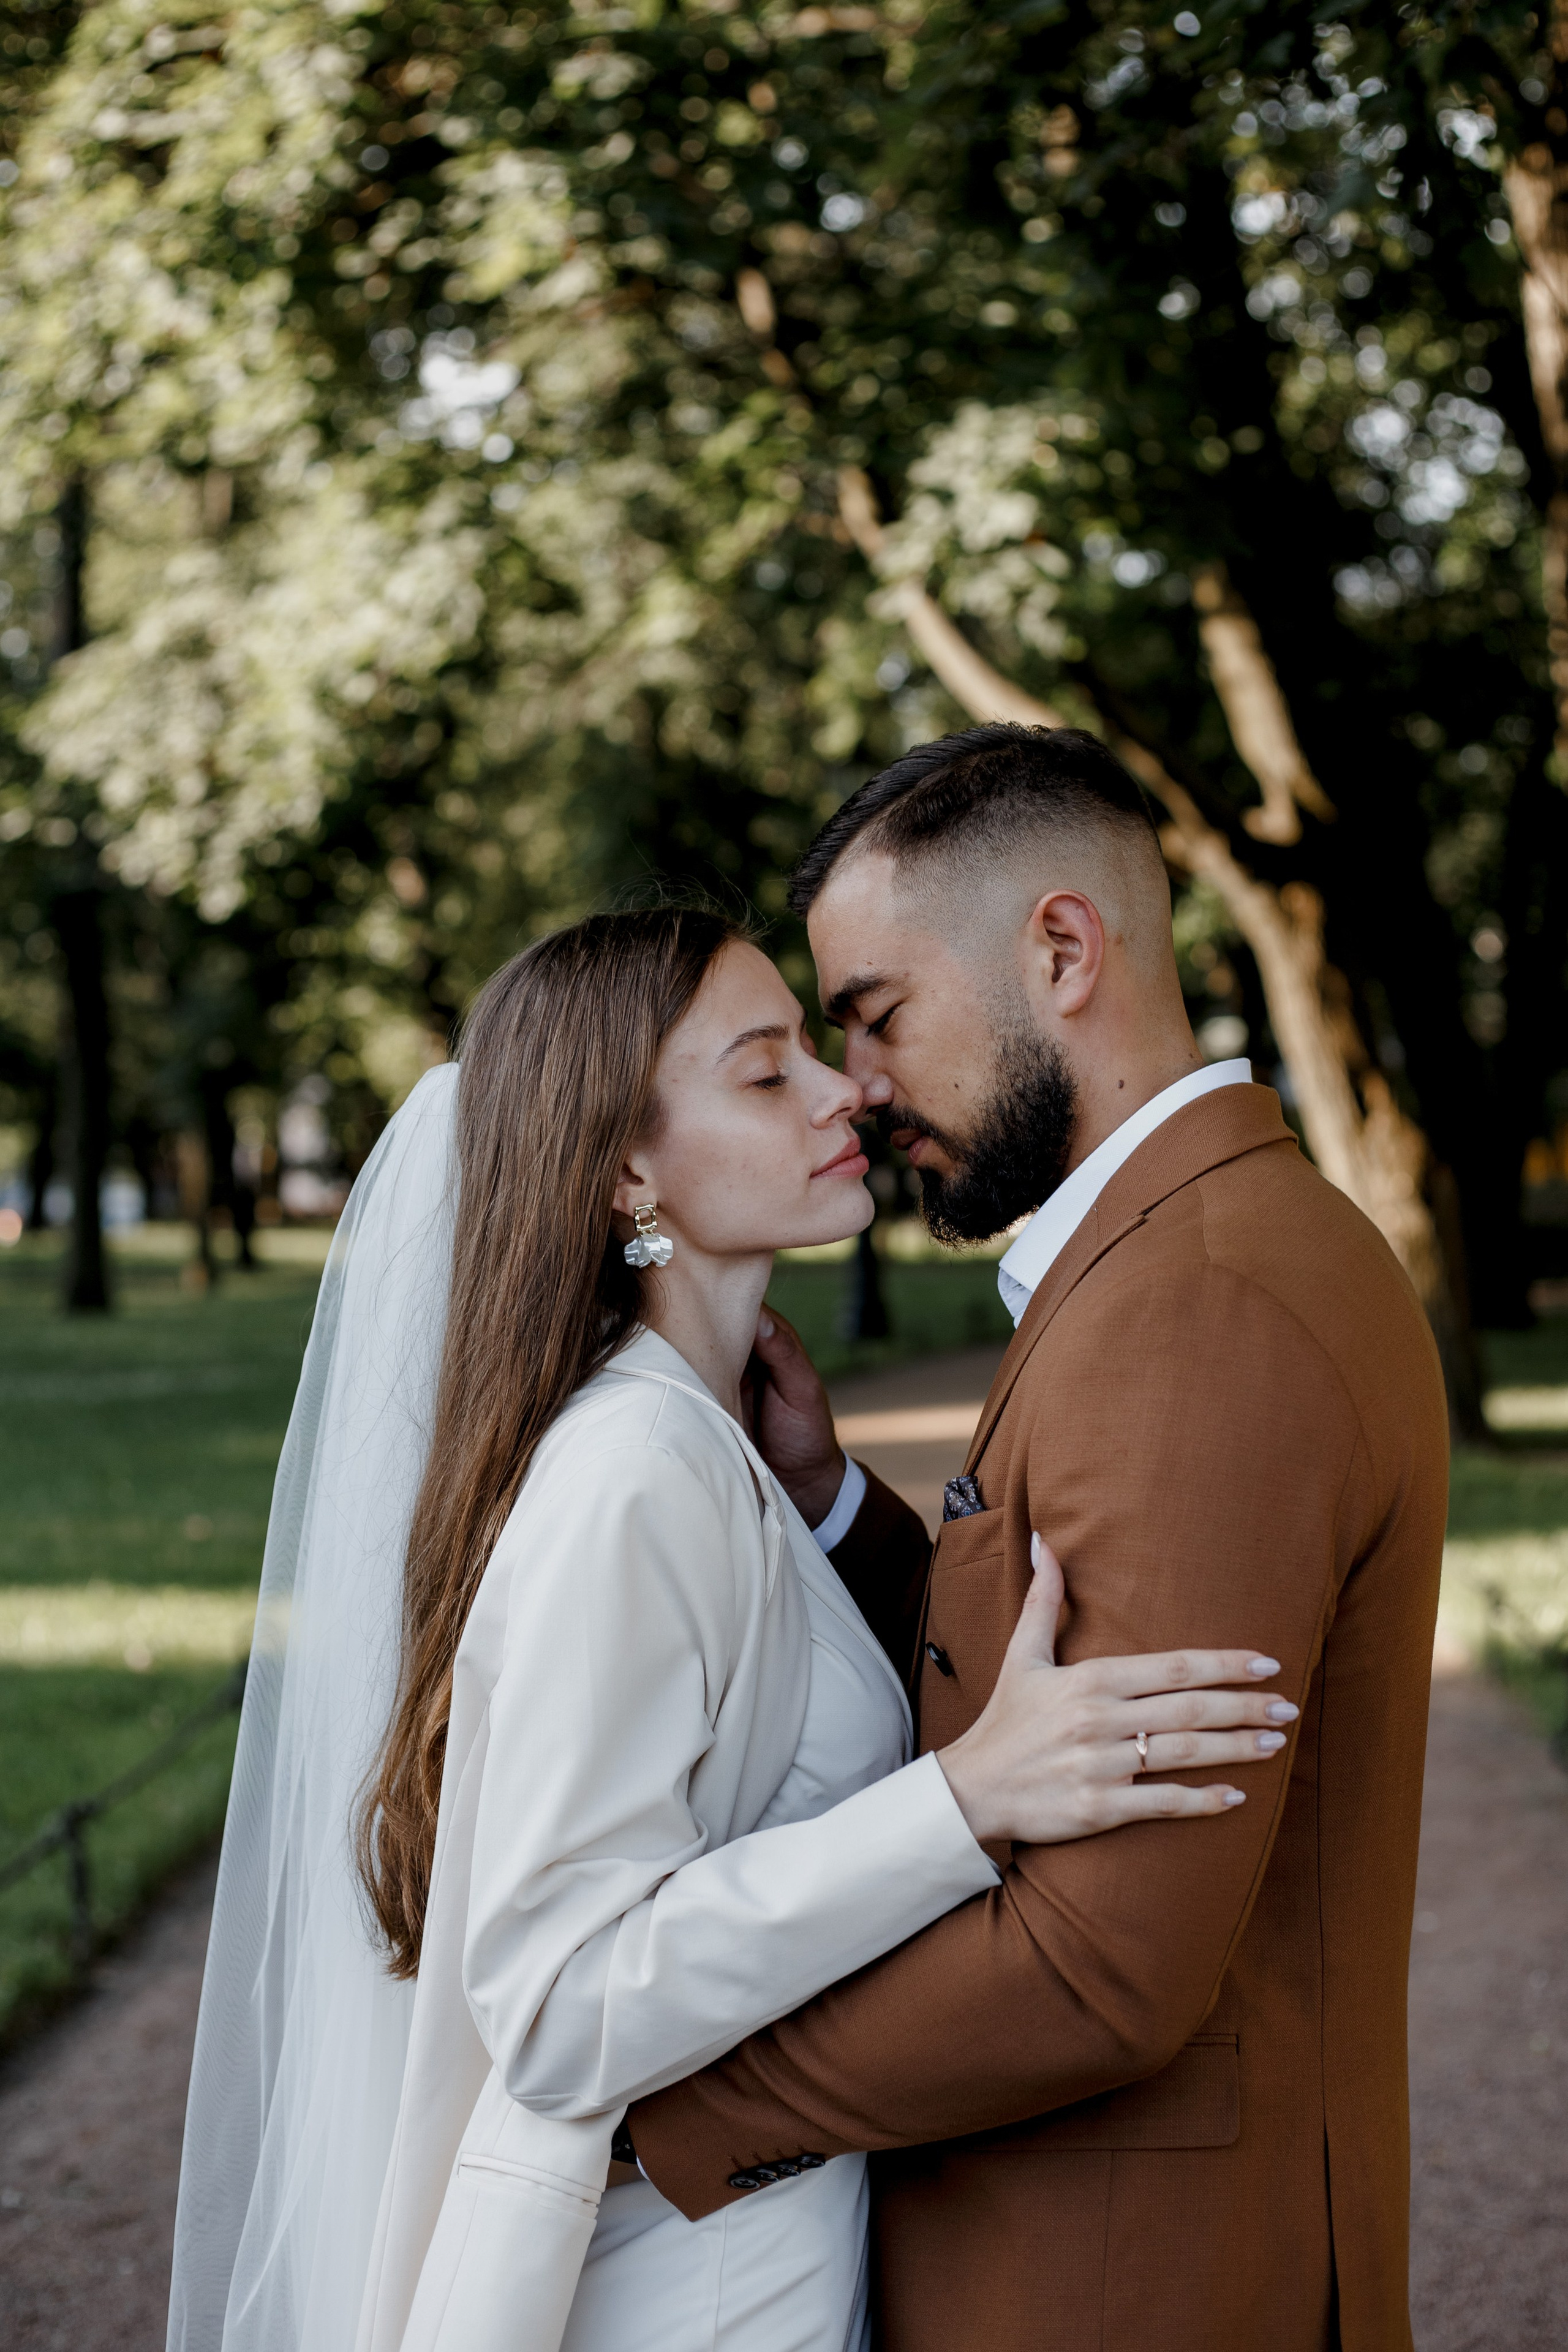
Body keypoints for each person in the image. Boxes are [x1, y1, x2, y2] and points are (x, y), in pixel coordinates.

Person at [166, 903, 1290, 2352]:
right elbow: (558, 2005)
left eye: (813, 1052)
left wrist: (818, 1495)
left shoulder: (704, 1444)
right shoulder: (634, 1471)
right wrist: (962, 1800)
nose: (844, 1091)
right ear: (626, 1168)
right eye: (766, 1074)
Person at [622, 728, 1450, 2352]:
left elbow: (1099, 1966)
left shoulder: (1197, 1305)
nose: (857, 1088)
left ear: (1061, 951)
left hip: (1123, 2282)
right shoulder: (1179, 1252)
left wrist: (666, 2121)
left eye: (877, 1014)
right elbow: (1052, 1673)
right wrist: (835, 1506)